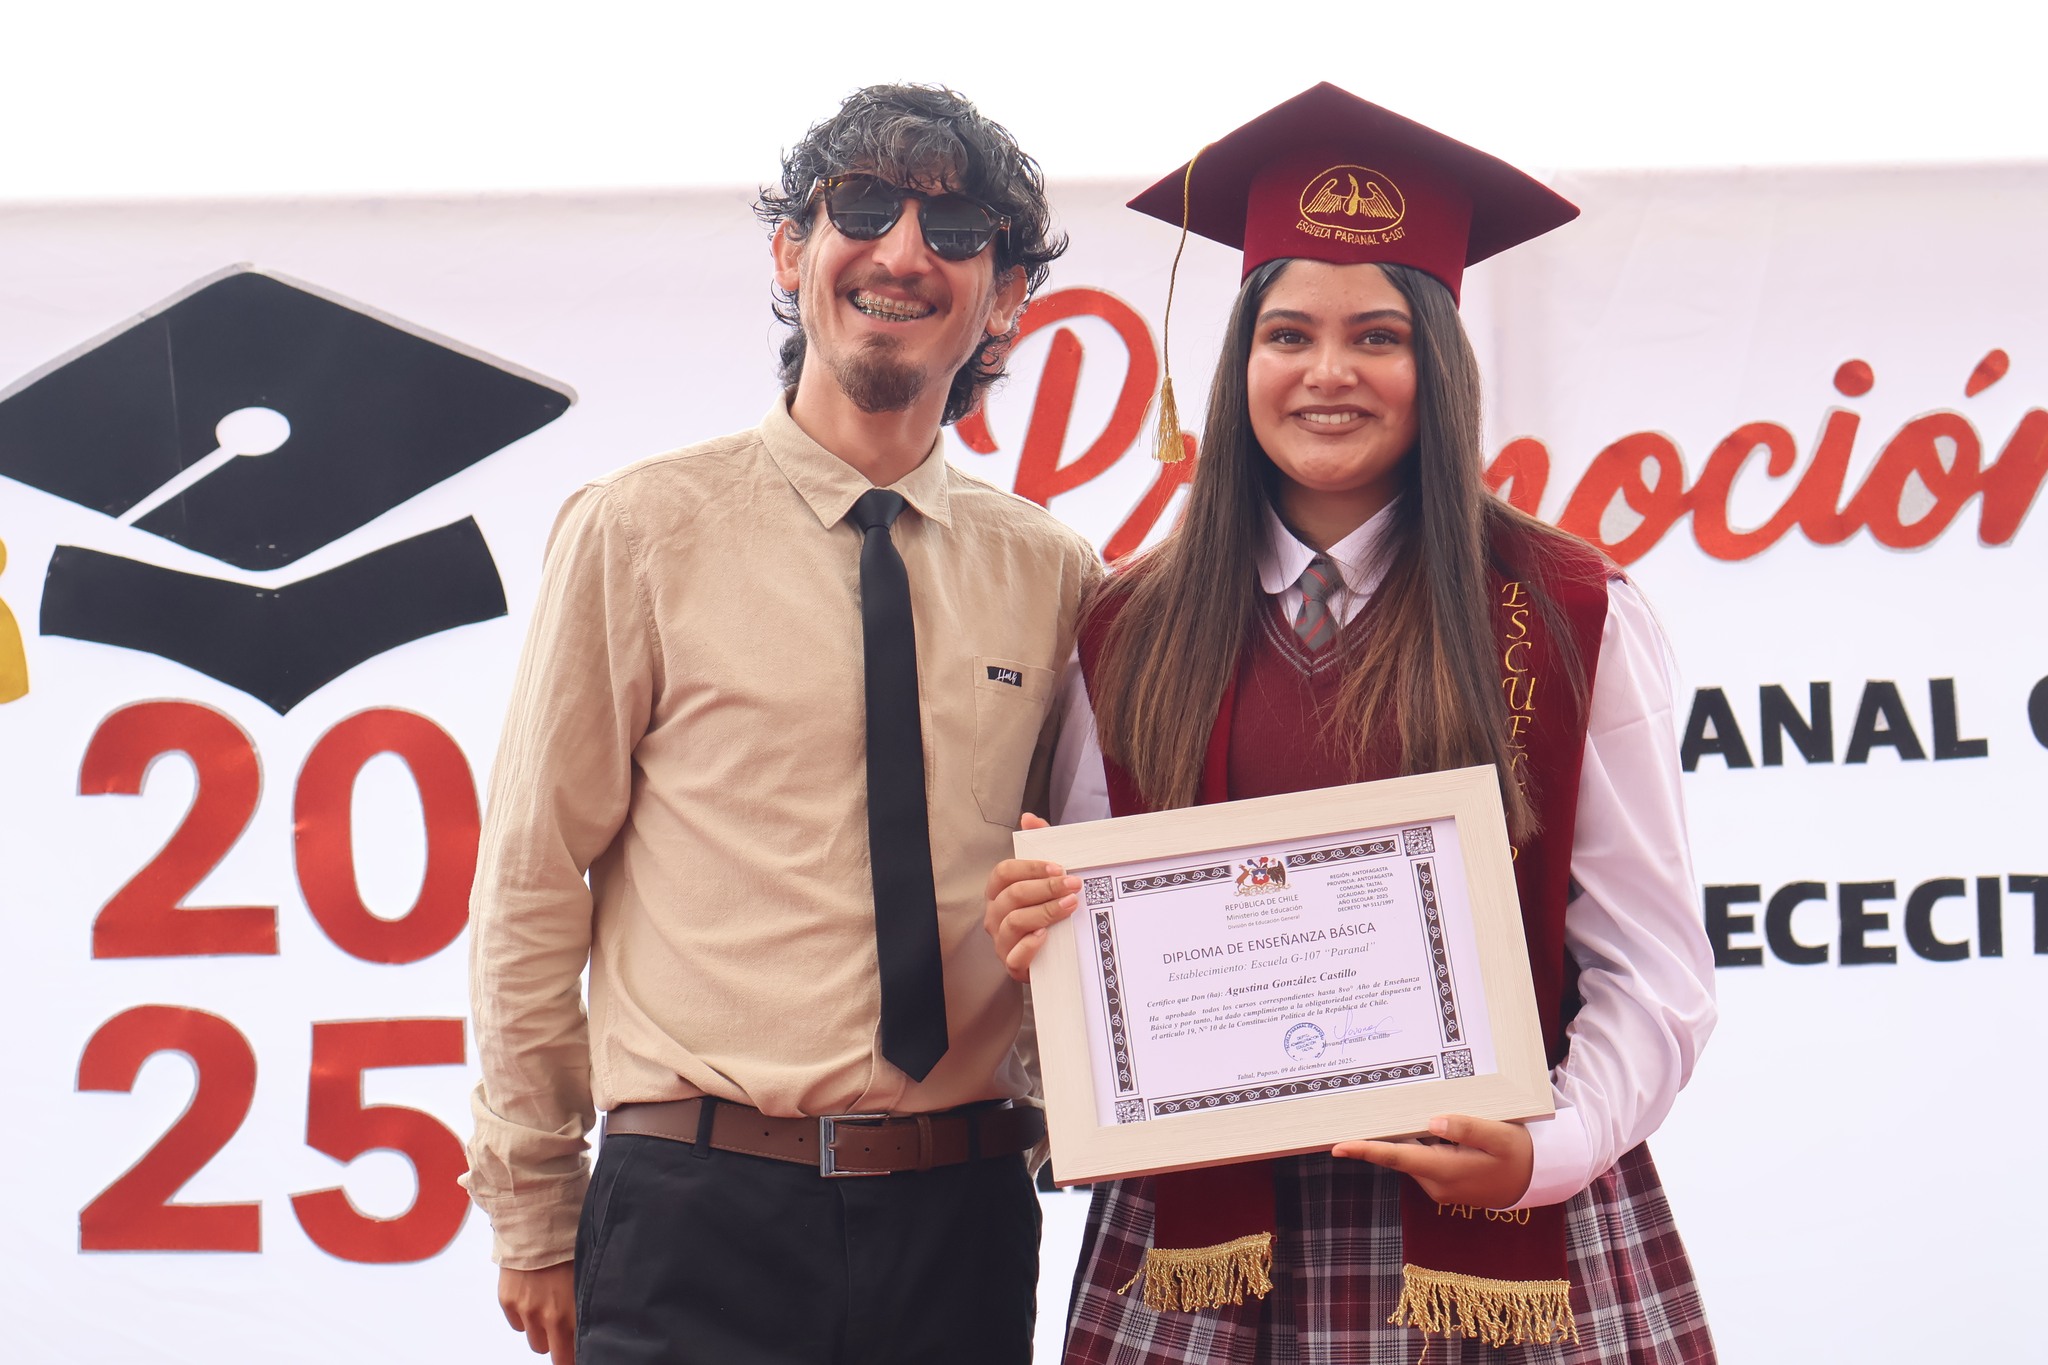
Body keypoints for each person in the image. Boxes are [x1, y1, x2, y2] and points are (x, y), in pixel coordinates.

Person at [985, 84, 1718, 1362]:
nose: (1328, 373)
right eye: (1288, 336)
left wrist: (1543, 1152)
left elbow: (1654, 974)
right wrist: (1047, 951)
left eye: (1376, 335)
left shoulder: (1565, 616)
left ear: (1435, 365)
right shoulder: (1128, 627)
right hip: (1211, 1259)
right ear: (1239, 363)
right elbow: (1102, 975)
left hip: (1493, 1232)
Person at [466, 84, 1100, 1365]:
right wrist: (532, 1206)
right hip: (696, 1216)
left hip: (963, 1221)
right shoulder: (637, 532)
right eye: (860, 208)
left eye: (957, 226)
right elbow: (533, 882)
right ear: (790, 252)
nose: (903, 251)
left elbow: (1073, 879)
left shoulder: (1053, 574)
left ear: (1010, 293)